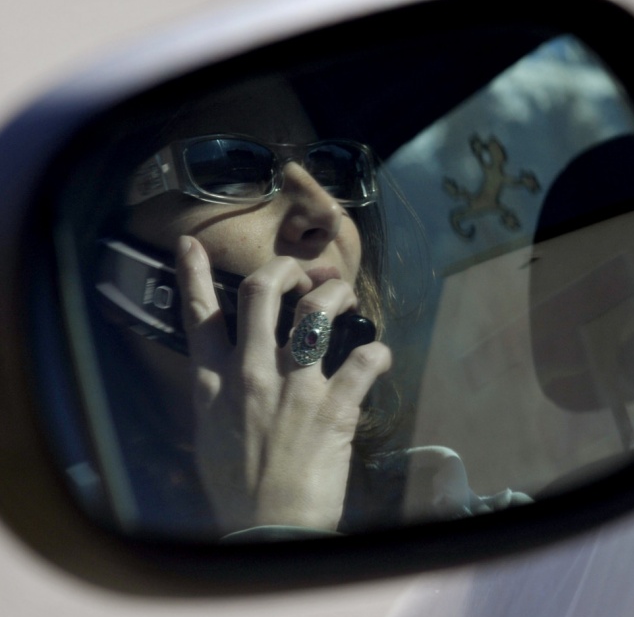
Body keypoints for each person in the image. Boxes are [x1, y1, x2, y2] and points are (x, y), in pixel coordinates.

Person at [90, 73, 528, 541]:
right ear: (118, 272)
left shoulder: (488, 520)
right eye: (231, 168)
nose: (328, 211)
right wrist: (279, 518)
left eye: (332, 169)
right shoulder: (90, 543)